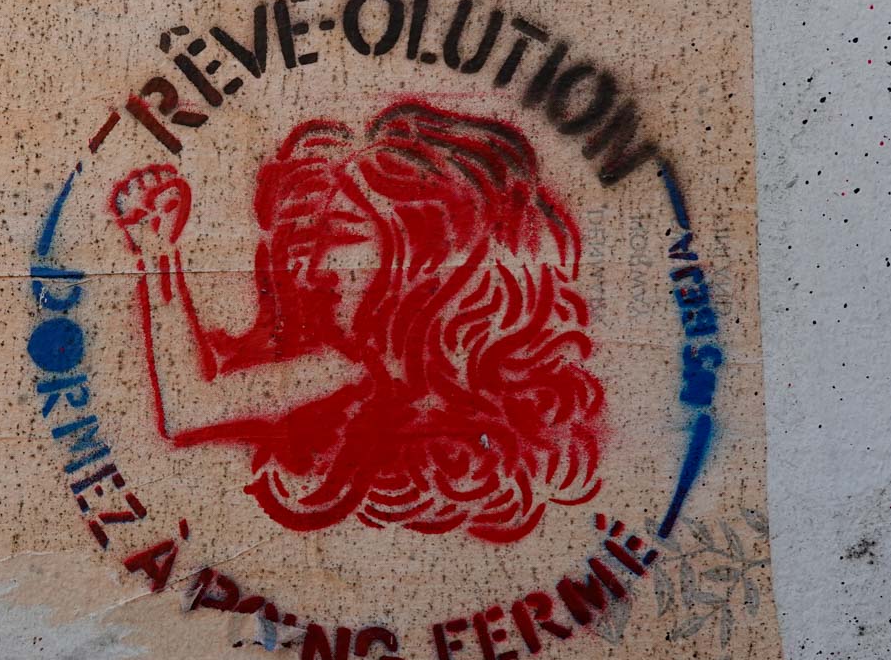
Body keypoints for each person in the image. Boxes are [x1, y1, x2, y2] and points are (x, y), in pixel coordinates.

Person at [109, 99, 605, 544]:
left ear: (422, 256)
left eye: (341, 240)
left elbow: (190, 408)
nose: (312, 272)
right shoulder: (347, 367)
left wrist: (157, 253)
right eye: (303, 248)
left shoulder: (358, 373)